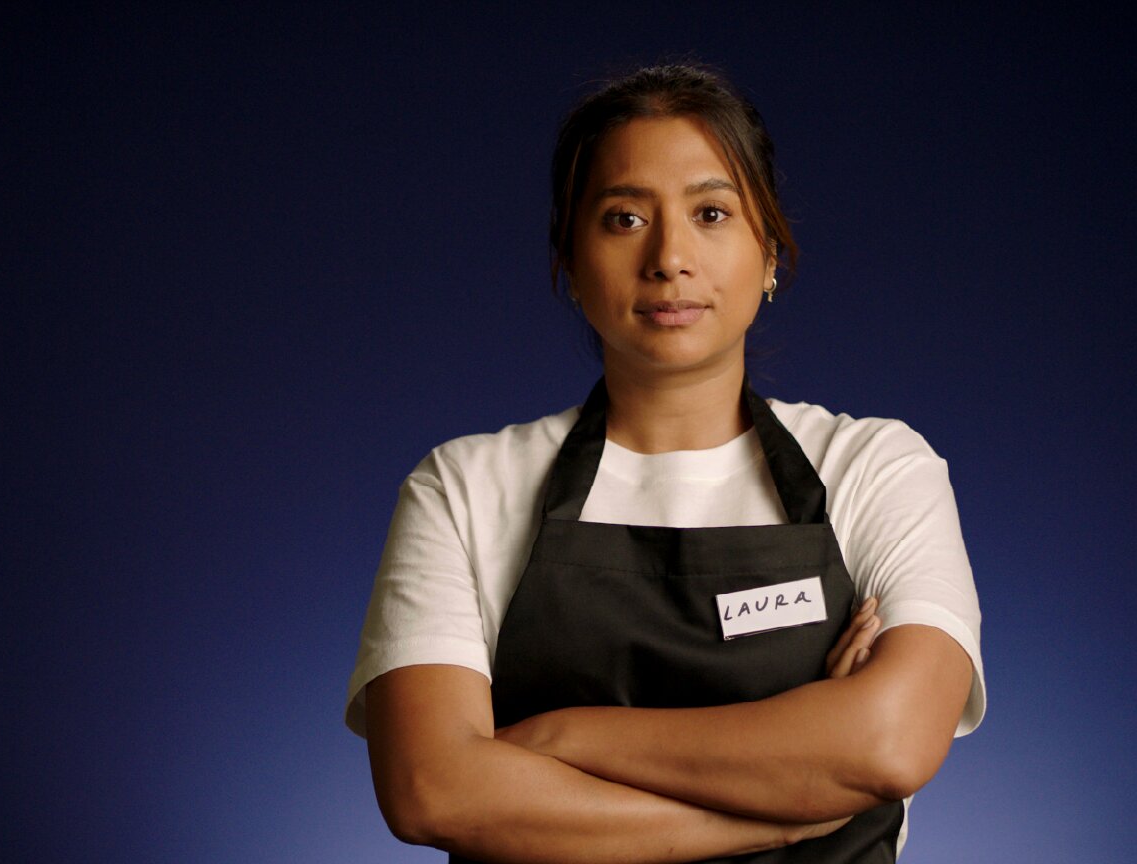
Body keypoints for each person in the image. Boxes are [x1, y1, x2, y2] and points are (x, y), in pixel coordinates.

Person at [345, 63, 986, 863]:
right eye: (622, 219)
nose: (669, 257)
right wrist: (789, 810)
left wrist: (560, 737)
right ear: (568, 262)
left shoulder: (878, 469)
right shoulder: (462, 488)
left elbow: (888, 744)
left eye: (712, 212)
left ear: (771, 251)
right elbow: (431, 790)